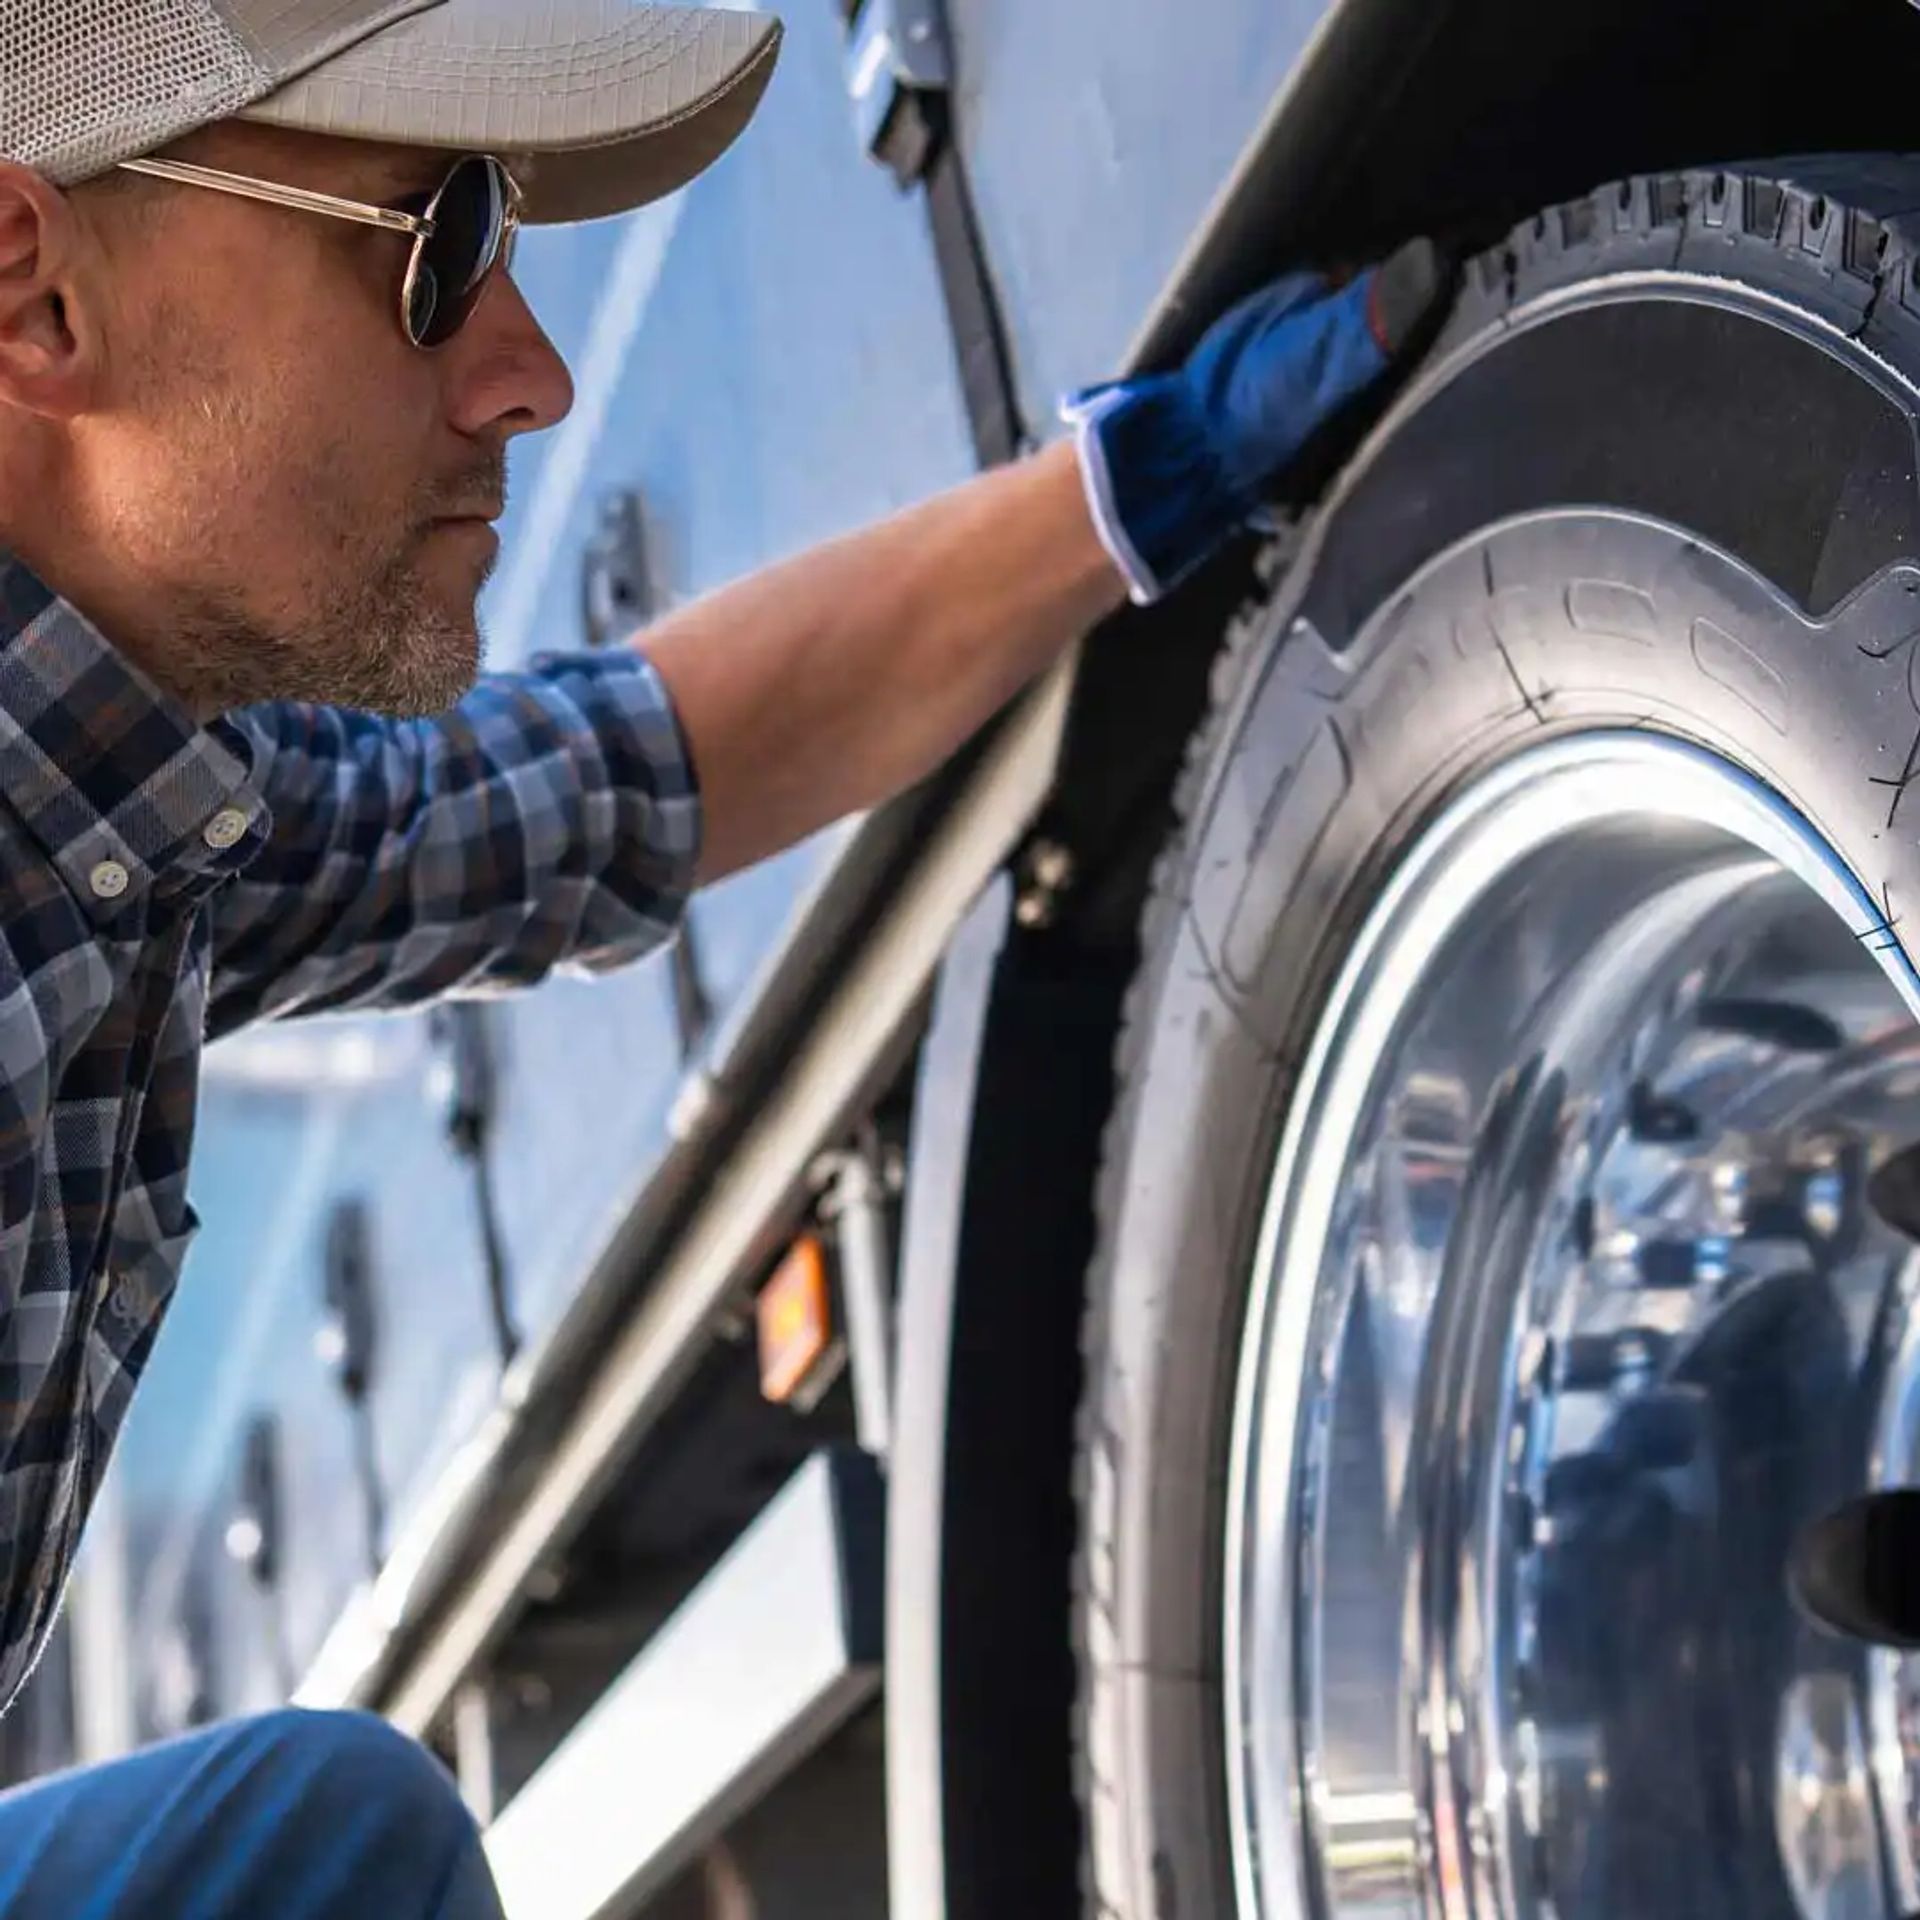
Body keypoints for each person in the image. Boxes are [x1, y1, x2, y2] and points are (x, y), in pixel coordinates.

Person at [0, 1, 1447, 1912]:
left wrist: (1130, 492)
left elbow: (613, 779)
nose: (532, 379)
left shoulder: (144, 814)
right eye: (430, 253)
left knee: (328, 1848)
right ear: (37, 301)